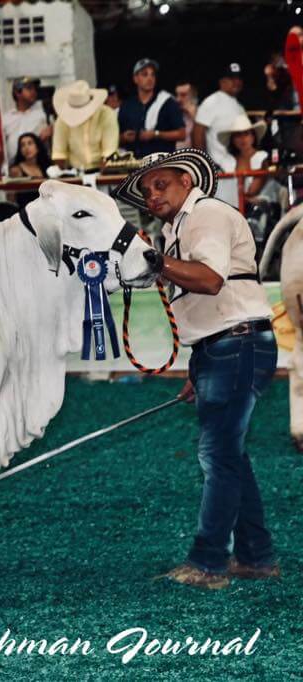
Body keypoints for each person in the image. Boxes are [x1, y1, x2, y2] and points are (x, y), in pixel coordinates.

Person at [114, 148, 279, 589]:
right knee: (230, 454)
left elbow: (209, 280)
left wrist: (156, 261)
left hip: (236, 343)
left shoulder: (204, 215)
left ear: (186, 181)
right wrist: (197, 369)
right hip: (224, 346)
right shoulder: (177, 228)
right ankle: (256, 557)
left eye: (160, 184)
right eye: (147, 191)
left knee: (217, 454)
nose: (152, 196)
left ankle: (208, 563)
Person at [118, 58, 186, 158]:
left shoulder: (167, 102)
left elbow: (181, 134)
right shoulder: (127, 105)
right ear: (135, 79)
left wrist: (156, 134)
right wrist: (124, 137)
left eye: (152, 74)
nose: (150, 78)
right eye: (145, 74)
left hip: (162, 162)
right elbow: (115, 137)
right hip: (134, 164)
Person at [51, 81, 119, 171]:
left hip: (102, 170)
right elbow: (59, 154)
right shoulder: (62, 119)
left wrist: (100, 178)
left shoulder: (107, 114)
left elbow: (109, 152)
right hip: (74, 172)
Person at [194, 63, 246, 168]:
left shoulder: (240, 107)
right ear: (222, 81)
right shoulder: (211, 102)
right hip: (218, 167)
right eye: (232, 78)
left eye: (239, 78)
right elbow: (197, 134)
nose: (236, 82)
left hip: (236, 167)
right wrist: (204, 165)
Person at [215, 114, 268, 209]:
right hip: (228, 208)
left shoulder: (261, 157)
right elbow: (221, 190)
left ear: (253, 136)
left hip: (256, 210)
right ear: (232, 140)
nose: (243, 139)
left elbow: (253, 191)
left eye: (246, 134)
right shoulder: (227, 161)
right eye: (238, 135)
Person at [3, 77, 50, 168]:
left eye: (34, 89)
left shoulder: (41, 115)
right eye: (29, 88)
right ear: (17, 92)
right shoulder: (6, 118)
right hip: (13, 166)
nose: (33, 92)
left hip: (37, 165)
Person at [8, 132, 51, 209]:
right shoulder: (16, 170)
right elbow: (11, 200)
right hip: (26, 210)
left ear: (37, 147)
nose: (26, 148)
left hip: (46, 209)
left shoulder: (46, 167)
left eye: (30, 143)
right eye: (22, 145)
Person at [175, 82, 199, 149]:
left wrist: (193, 114)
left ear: (193, 97)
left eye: (183, 95)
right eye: (177, 95)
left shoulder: (203, 115)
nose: (178, 99)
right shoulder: (174, 114)